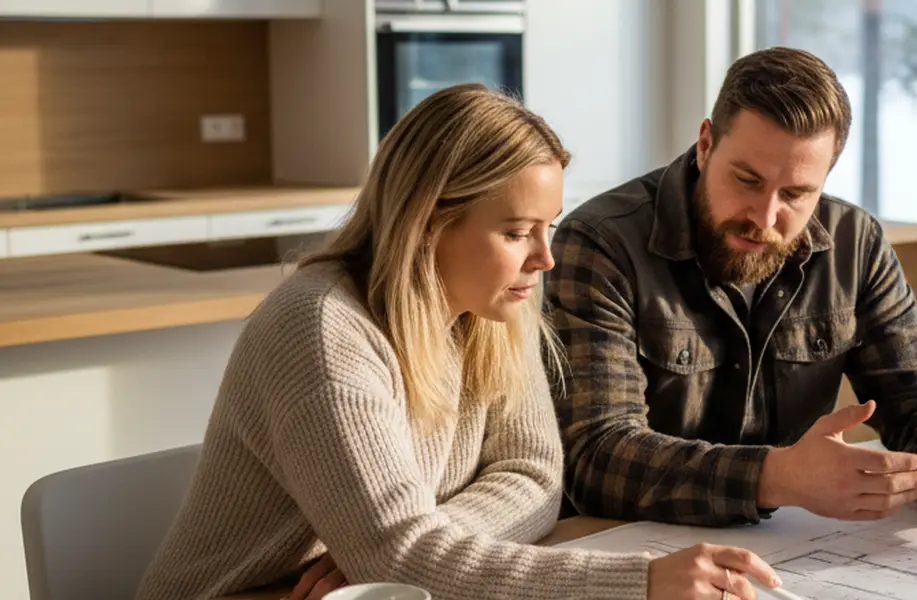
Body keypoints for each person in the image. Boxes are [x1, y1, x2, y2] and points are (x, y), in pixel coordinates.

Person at [135, 84, 783, 600]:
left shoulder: (491, 309)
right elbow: (398, 557)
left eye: (548, 226)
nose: (545, 259)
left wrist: (415, 545)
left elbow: (534, 478)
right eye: (516, 231)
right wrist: (638, 582)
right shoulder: (322, 331)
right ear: (429, 224)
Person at [547, 47, 917, 544]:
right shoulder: (601, 241)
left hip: (786, 552)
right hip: (624, 550)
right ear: (706, 145)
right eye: (746, 180)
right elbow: (596, 456)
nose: (764, 216)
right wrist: (777, 477)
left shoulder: (855, 243)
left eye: (795, 194)